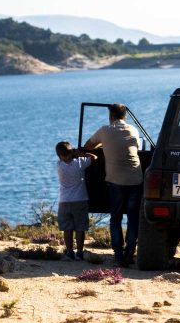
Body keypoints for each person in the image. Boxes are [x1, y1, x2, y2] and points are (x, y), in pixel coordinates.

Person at [84, 102, 143, 267]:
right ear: (125, 116)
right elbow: (135, 148)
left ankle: (118, 255)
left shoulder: (105, 130)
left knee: (115, 218)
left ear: (111, 116)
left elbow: (88, 145)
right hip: (135, 179)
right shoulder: (133, 130)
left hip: (115, 180)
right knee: (133, 219)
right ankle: (129, 254)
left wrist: (104, 144)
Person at [54, 140, 97, 261]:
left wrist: (72, 153)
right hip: (80, 199)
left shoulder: (59, 165)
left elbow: (64, 157)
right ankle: (79, 252)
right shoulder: (79, 163)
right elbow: (94, 157)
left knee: (67, 229)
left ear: (59, 156)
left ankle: (69, 252)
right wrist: (78, 153)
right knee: (80, 228)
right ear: (71, 153)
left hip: (64, 201)